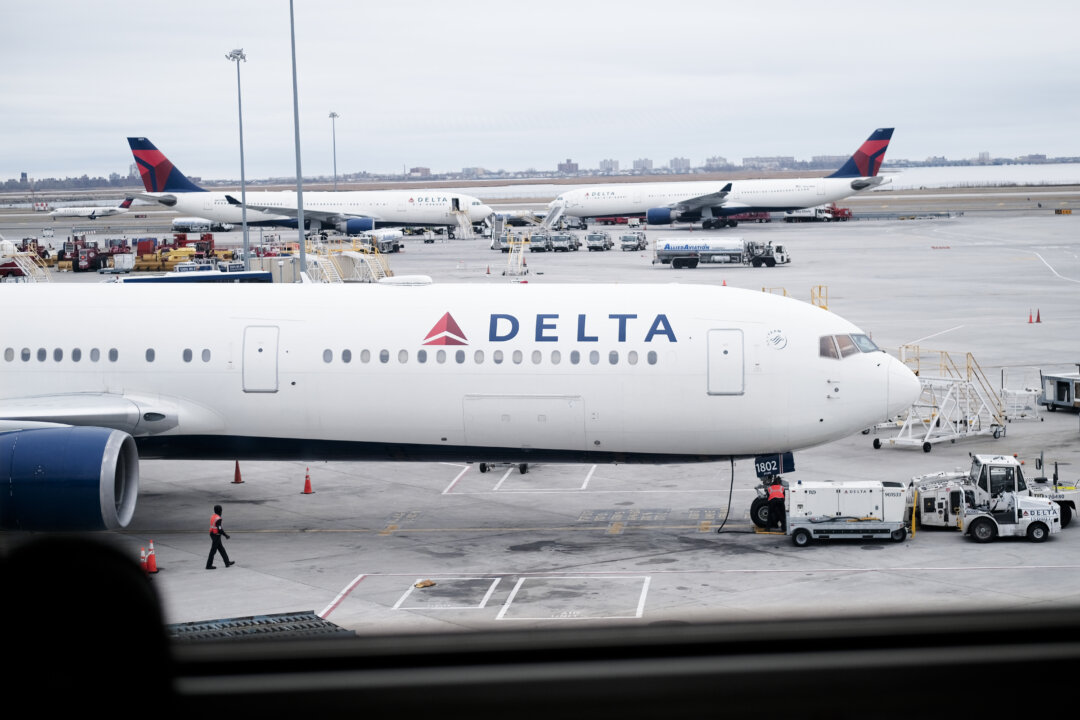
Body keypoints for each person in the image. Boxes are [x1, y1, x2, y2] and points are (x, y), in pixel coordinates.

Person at [206, 504, 235, 569]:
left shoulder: (213, 516)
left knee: (221, 549)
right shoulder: (218, 518)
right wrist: (225, 535)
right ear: (220, 511)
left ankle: (227, 562)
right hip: (215, 535)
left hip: (213, 534)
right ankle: (208, 565)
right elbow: (219, 529)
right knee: (213, 551)